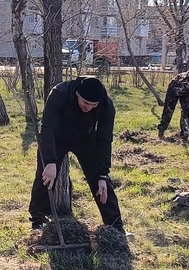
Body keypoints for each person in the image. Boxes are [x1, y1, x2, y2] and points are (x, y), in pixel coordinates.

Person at [29, 76, 122, 231]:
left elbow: (104, 140)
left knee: (101, 182)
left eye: (93, 105)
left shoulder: (106, 106)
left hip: (85, 139)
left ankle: (115, 225)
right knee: (45, 176)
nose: (89, 108)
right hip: (57, 138)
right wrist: (51, 161)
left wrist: (102, 174)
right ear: (77, 94)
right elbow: (48, 128)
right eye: (85, 103)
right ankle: (39, 219)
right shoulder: (59, 94)